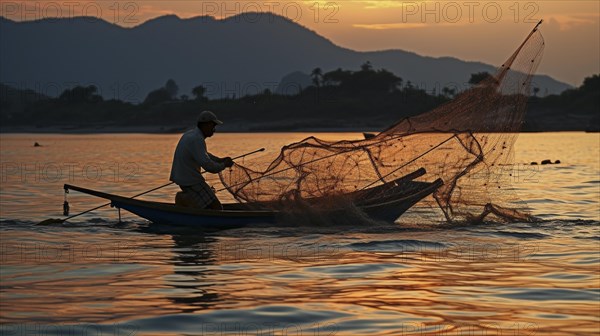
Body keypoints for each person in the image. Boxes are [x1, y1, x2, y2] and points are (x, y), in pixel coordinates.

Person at [170, 111, 234, 210]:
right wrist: (224, 165)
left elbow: (204, 155)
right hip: (191, 180)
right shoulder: (197, 139)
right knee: (217, 208)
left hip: (182, 178)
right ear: (206, 125)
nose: (214, 129)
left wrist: (220, 160)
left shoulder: (191, 134)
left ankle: (189, 199)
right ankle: (183, 197)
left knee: (205, 207)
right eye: (213, 125)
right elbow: (208, 166)